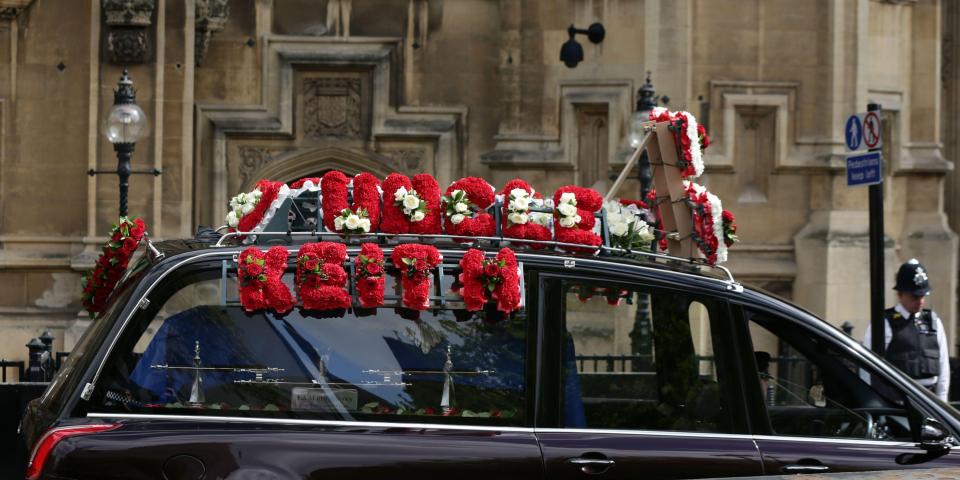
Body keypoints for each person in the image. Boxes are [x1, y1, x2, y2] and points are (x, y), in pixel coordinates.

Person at [863, 259, 950, 401]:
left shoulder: (933, 322)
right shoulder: (884, 322)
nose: (920, 301)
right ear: (900, 294)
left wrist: (942, 399)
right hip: (896, 401)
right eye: (915, 296)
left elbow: (943, 366)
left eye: (923, 296)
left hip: (930, 400)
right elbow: (867, 365)